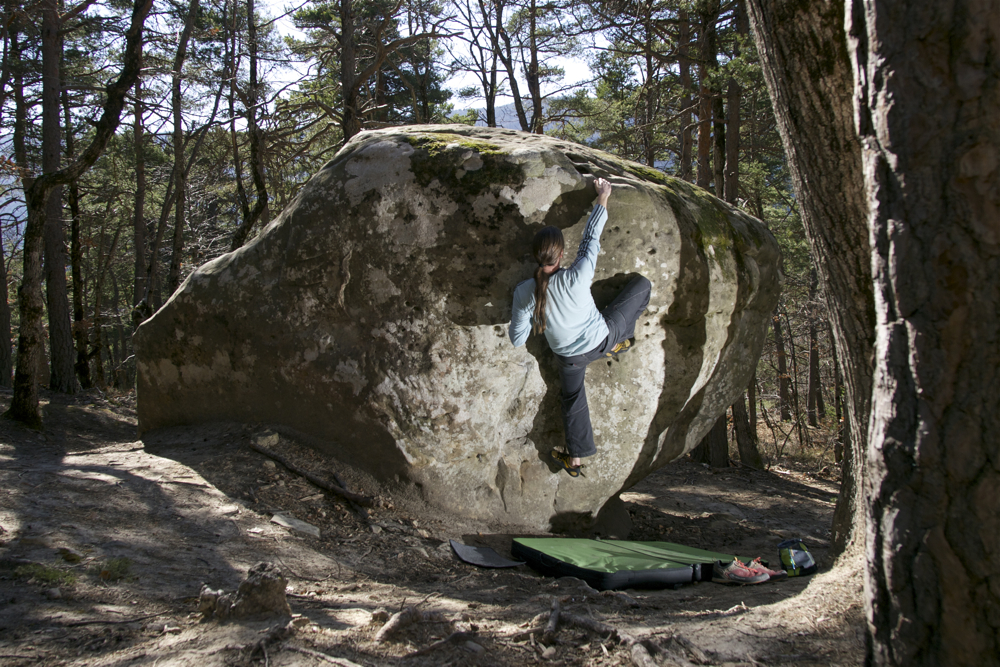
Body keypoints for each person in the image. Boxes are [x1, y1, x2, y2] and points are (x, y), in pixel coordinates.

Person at [508, 177, 651, 477]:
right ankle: (618, 342)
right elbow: (590, 239)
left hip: (569, 359)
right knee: (641, 286)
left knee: (573, 400)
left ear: (536, 257)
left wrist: (535, 317)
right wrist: (604, 196)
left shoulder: (524, 292)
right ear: (560, 255)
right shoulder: (578, 274)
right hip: (600, 340)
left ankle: (575, 460)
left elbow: (517, 338)